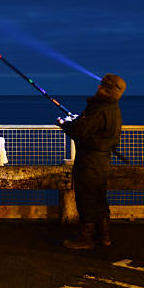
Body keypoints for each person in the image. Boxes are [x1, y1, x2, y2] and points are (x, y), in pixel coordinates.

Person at [56, 73, 126, 249]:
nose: (97, 87)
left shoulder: (99, 108)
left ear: (106, 89)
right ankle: (104, 236)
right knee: (99, 197)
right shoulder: (114, 109)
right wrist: (79, 120)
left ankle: (85, 238)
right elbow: (93, 129)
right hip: (102, 161)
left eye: (101, 85)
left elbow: (80, 132)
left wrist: (64, 124)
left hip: (89, 161)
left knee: (86, 198)